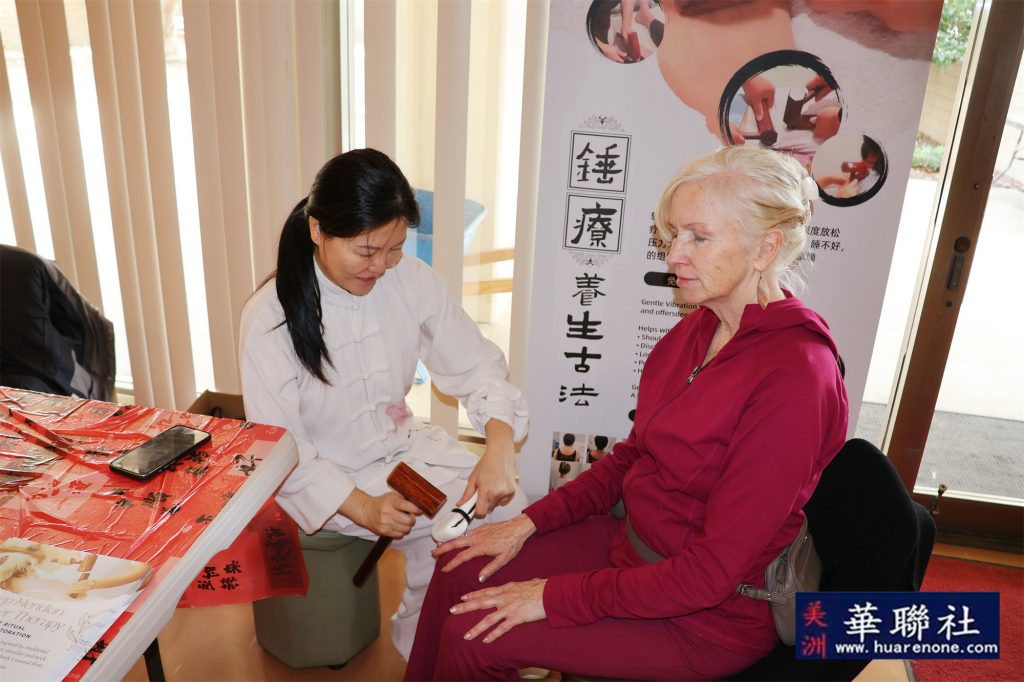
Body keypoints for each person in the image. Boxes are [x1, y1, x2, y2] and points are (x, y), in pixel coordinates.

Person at [405, 146, 849, 681]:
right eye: (674, 235)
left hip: (704, 614)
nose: (674, 255)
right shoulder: (698, 329)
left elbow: (710, 574)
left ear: (765, 248)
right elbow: (632, 457)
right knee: (460, 569)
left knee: (473, 634)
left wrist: (555, 597)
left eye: (698, 238)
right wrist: (528, 522)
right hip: (634, 546)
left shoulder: (796, 378)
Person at [239, 148, 529, 659]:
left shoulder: (410, 280)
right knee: (450, 533)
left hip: (401, 456)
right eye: (367, 251)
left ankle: (467, 645)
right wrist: (364, 506)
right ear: (317, 230)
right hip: (329, 476)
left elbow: (476, 365)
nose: (381, 266)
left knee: (503, 509)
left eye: (394, 249)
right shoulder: (270, 318)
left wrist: (499, 447)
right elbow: (280, 448)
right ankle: (429, 651)